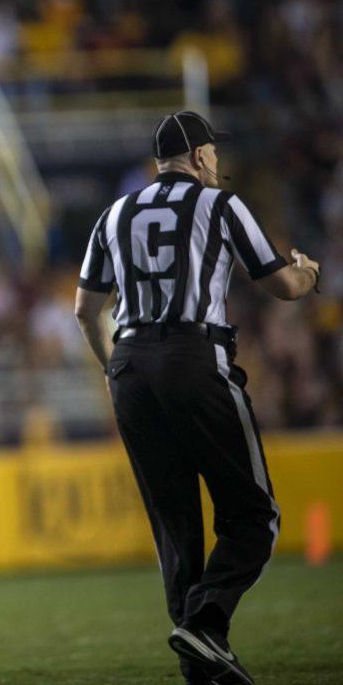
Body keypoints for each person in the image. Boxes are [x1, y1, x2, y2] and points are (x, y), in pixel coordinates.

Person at [74, 111, 321, 685]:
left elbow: (85, 310)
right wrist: (310, 271)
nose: (218, 163)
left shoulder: (113, 215)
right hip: (193, 357)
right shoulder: (221, 205)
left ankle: (198, 665)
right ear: (203, 156)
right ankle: (207, 624)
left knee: (174, 526)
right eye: (215, 154)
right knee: (255, 515)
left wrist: (116, 368)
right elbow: (281, 286)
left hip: (130, 366)